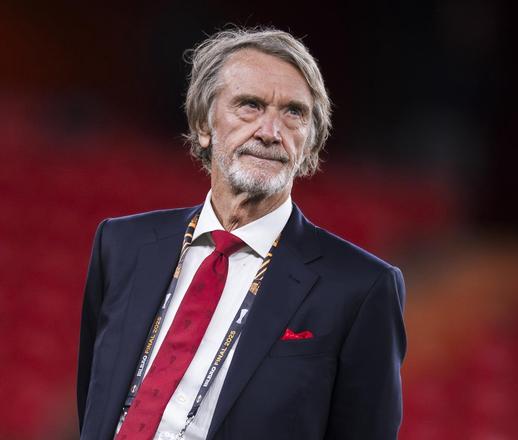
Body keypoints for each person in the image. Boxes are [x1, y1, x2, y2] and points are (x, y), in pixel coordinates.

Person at [77, 27, 406, 440]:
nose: (270, 132)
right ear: (204, 124)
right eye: (250, 105)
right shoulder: (122, 244)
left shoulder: (361, 287)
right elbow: (94, 402)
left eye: (293, 113)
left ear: (309, 142)